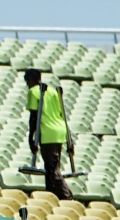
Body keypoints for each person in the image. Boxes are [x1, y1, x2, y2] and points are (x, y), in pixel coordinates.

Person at [24, 68, 74, 201]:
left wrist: (31, 138)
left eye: (27, 82)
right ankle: (51, 195)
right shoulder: (52, 91)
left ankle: (67, 197)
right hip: (59, 130)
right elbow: (61, 113)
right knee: (50, 167)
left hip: (48, 132)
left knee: (52, 169)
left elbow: (34, 116)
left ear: (30, 80)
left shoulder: (34, 92)